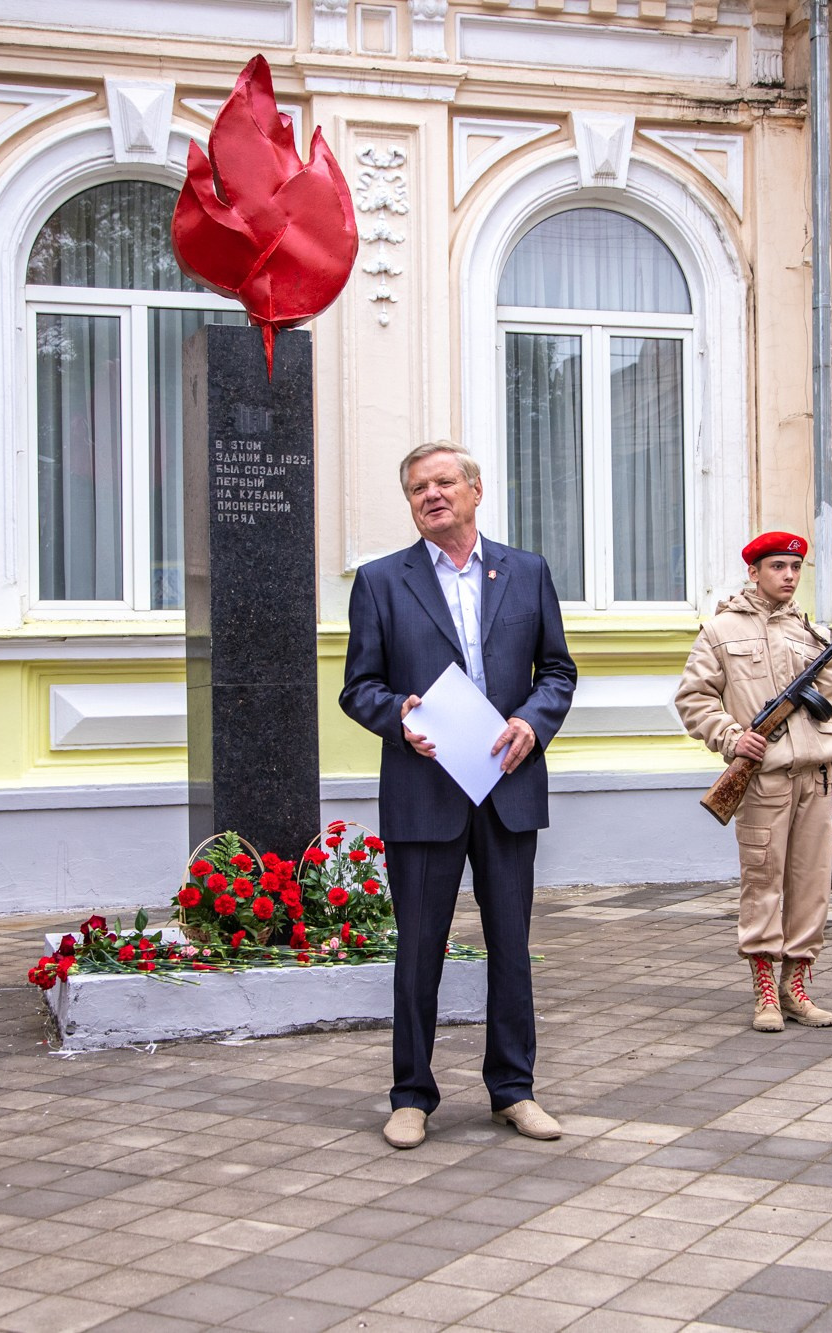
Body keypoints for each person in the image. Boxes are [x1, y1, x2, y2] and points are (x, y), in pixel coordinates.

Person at [340, 441, 577, 1150]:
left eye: (444, 482)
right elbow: (358, 687)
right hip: (424, 789)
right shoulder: (381, 581)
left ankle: (514, 1090)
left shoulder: (527, 572)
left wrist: (532, 723)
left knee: (511, 948)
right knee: (418, 952)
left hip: (506, 784)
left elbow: (557, 671)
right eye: (418, 488)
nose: (432, 495)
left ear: (475, 490)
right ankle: (411, 1097)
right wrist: (398, 715)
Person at [675, 533, 832, 1032]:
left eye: (795, 567)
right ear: (753, 572)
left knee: (811, 886)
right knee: (763, 885)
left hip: (815, 779)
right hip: (762, 782)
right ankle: (765, 990)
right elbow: (693, 699)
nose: (789, 576)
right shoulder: (720, 631)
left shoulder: (813, 635)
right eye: (778, 567)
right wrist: (733, 738)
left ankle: (796, 987)